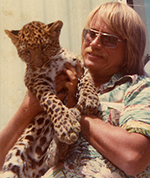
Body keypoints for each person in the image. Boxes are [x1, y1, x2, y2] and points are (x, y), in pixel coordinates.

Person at [1, 2, 150, 177]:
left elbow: (133, 158)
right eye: (90, 34)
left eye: (109, 39)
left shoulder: (138, 87)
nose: (94, 43)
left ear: (130, 49)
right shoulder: (56, 78)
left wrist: (74, 112)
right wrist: (29, 107)